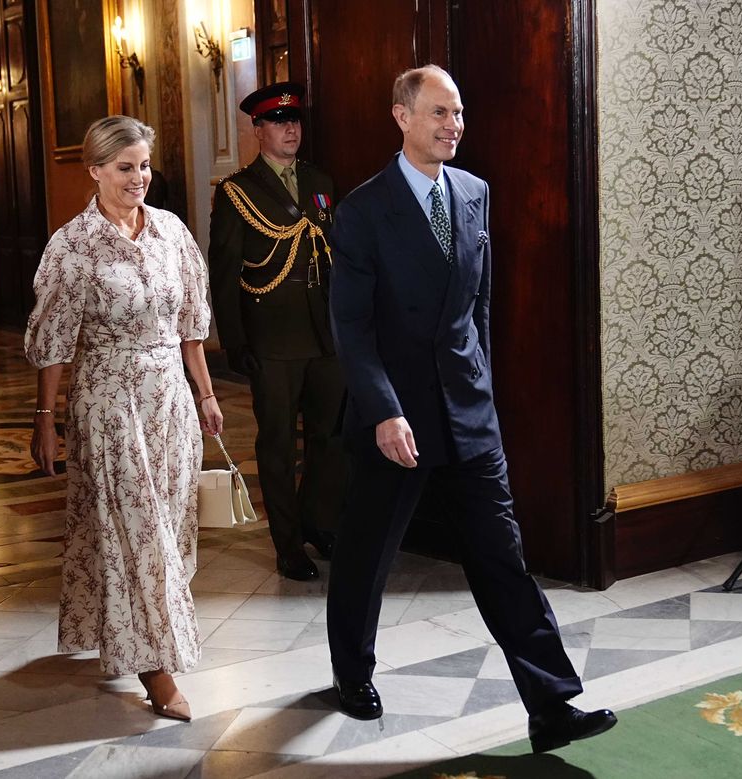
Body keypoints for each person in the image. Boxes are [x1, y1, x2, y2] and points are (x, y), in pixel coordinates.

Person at [325, 65, 617, 753]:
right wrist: (384, 411)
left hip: (467, 413)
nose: (453, 125)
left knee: (503, 558)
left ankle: (550, 704)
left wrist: (480, 386)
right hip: (393, 418)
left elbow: (478, 309)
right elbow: (351, 329)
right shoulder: (362, 210)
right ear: (402, 116)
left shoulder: (476, 193)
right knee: (368, 554)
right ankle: (351, 673)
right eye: (438, 113)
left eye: (458, 113)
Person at [25, 115, 223, 722]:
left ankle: (128, 630)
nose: (139, 177)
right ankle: (156, 672)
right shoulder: (73, 245)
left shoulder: (171, 233)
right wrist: (44, 417)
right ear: (95, 171)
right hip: (109, 405)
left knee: (167, 530)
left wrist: (207, 396)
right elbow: (53, 341)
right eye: (124, 167)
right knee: (135, 533)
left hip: (170, 402)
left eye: (144, 165)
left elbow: (192, 325)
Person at [208, 82, 346, 581]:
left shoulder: (319, 179)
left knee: (330, 438)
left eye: (295, 121)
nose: (291, 130)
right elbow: (223, 273)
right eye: (279, 123)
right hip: (273, 337)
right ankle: (287, 544)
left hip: (325, 335)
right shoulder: (237, 191)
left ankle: (318, 522)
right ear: (258, 130)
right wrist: (235, 341)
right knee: (279, 445)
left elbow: (335, 259)